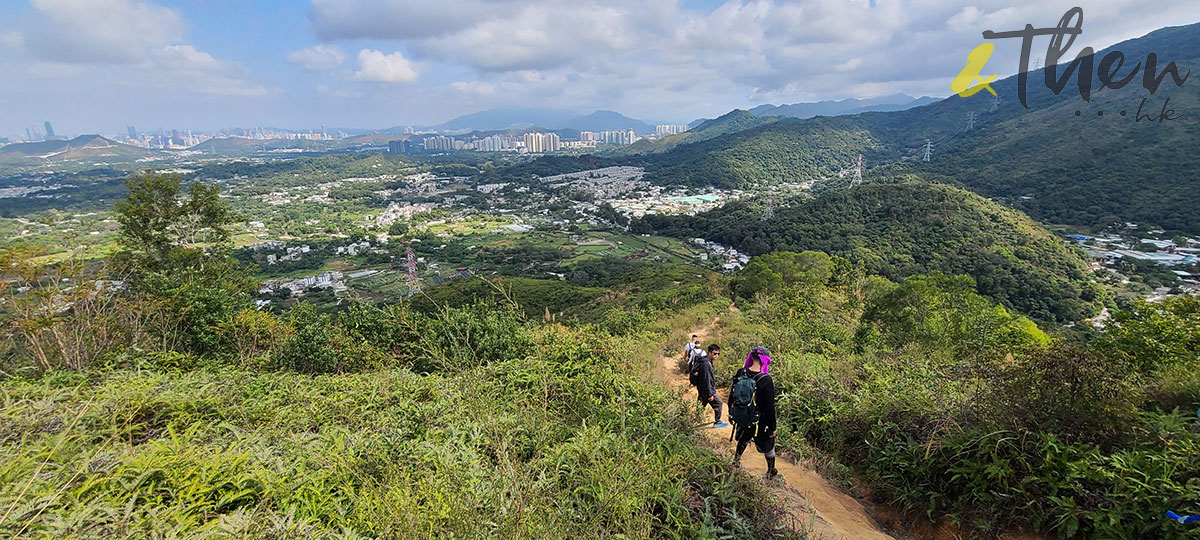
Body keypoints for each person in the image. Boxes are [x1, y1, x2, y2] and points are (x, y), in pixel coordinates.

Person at [728, 346, 777, 478]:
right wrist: (772, 427)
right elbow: (769, 407)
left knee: (743, 439)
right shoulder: (766, 379)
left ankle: (736, 462)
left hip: (743, 416)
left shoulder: (740, 373)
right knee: (769, 446)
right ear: (764, 359)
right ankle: (771, 472)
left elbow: (732, 395)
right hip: (759, 421)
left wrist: (731, 413)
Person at [694, 344, 728, 428]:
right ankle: (717, 422)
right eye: (714, 353)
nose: (716, 355)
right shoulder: (706, 364)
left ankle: (694, 422)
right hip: (706, 390)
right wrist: (710, 394)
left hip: (702, 389)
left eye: (718, 354)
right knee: (719, 403)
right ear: (709, 353)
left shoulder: (706, 362)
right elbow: (706, 379)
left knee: (701, 405)